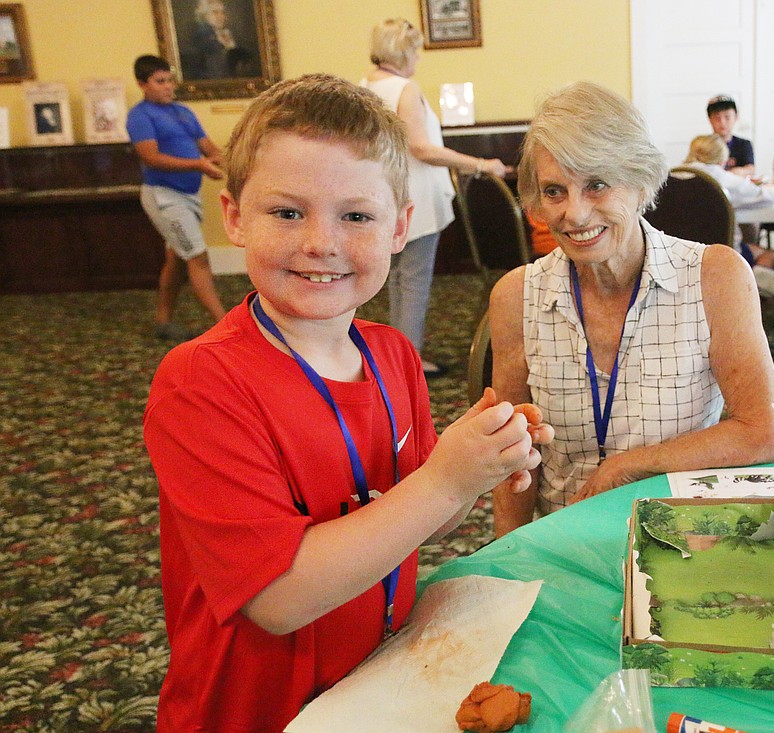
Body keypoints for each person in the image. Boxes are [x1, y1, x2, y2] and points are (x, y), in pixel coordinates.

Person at [143, 73, 550, 733]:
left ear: (400, 227)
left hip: (375, 686)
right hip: (255, 712)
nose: (321, 242)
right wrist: (445, 478)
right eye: (287, 212)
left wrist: (480, 462)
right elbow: (278, 598)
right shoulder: (200, 383)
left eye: (356, 215)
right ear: (236, 216)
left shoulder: (393, 356)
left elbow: (420, 520)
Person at [489, 82, 774, 537]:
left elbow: (761, 431)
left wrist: (631, 466)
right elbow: (514, 455)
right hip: (567, 541)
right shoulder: (517, 296)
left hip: (684, 539)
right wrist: (507, 558)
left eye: (597, 185)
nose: (575, 214)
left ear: (640, 179)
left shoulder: (714, 277)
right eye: (554, 191)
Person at [364, 18, 509, 378]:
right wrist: (481, 163)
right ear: (404, 50)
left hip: (385, 193)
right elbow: (421, 148)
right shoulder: (404, 89)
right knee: (413, 281)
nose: (417, 59)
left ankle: (398, 352)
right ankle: (408, 361)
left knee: (397, 278)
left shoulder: (364, 86)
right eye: (415, 51)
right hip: (417, 200)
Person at [126, 54, 227, 341]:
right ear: (142, 84)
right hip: (164, 197)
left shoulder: (183, 111)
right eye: (160, 82)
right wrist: (198, 165)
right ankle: (226, 326)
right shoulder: (140, 116)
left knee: (177, 260)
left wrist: (233, 159)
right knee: (198, 256)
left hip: (188, 195)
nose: (168, 86)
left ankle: (163, 322)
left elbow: (208, 147)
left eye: (170, 80)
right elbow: (151, 157)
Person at [682, 134, 774, 299]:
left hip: (680, 254)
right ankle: (748, 279)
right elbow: (765, 198)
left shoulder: (671, 177)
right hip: (722, 251)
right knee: (770, 256)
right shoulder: (724, 179)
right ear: (722, 159)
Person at [705, 93, 759, 246]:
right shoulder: (704, 145)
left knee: (752, 223)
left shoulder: (743, 144)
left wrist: (726, 174)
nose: (722, 122)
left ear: (736, 118)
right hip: (712, 198)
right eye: (717, 118)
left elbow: (750, 168)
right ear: (710, 120)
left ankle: (748, 252)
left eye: (727, 117)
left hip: (739, 196)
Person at [189, 0, 236, 79]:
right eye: (215, 12)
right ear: (204, 15)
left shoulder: (224, 33)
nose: (221, 16)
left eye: (222, 12)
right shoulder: (202, 35)